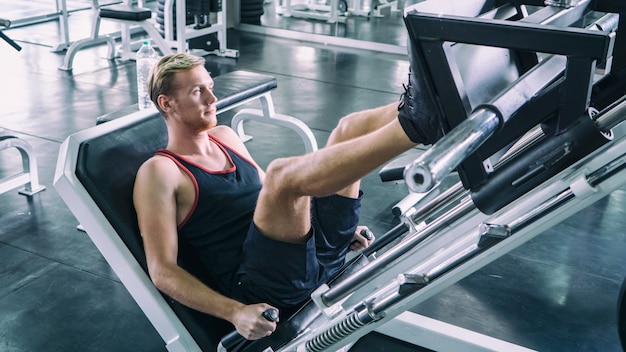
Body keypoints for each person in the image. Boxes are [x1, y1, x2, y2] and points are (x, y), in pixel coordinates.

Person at [133, 53, 440, 341]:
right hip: (264, 286)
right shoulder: (160, 172)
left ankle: (431, 104)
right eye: (198, 92)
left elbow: (272, 203)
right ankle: (417, 124)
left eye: (210, 87)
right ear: (167, 103)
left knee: (349, 129)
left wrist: (332, 228)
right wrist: (235, 311)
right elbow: (162, 271)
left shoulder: (225, 136)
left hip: (306, 256)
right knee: (283, 176)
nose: (213, 99)